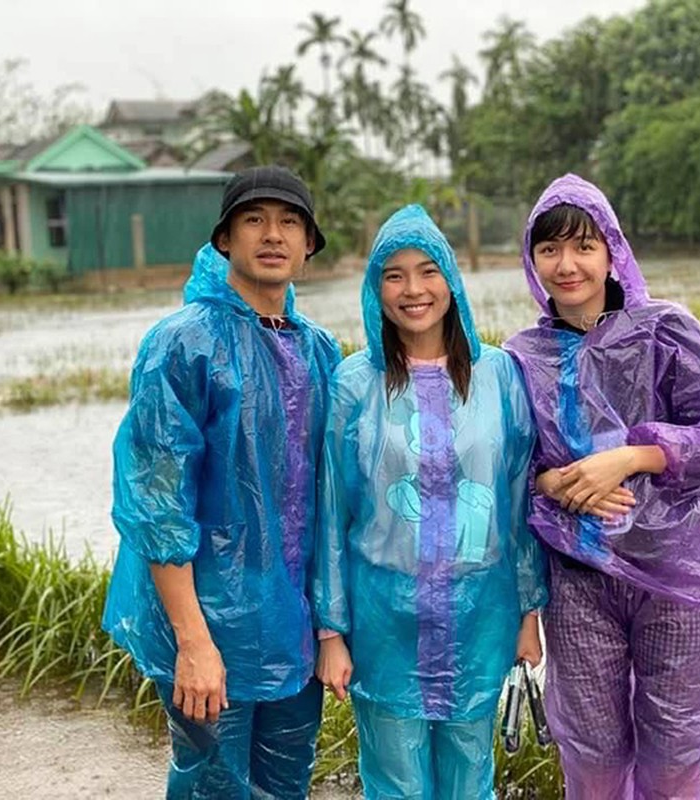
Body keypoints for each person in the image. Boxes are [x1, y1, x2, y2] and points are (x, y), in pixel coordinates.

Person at [504, 174, 700, 799]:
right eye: (549, 250)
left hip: (677, 576)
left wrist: (629, 459)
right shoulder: (521, 357)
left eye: (583, 246)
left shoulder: (665, 330)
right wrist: (556, 482)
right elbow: (506, 463)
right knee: (590, 750)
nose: (567, 265)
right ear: (532, 260)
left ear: (612, 250)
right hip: (579, 576)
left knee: (674, 747)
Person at [103, 165, 341, 799]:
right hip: (208, 627)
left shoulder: (320, 352)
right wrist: (193, 641)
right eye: (253, 220)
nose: (273, 234)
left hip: (293, 629)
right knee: (215, 787)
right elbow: (158, 504)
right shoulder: (182, 346)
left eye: (290, 221)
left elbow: (330, 501)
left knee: (287, 782)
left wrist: (332, 627)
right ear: (225, 240)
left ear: (309, 245)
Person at [314, 204, 548, 800]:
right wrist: (331, 632)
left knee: (471, 779)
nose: (413, 290)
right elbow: (330, 512)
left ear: (451, 280)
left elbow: (517, 499)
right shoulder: (354, 384)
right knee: (396, 783)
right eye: (394, 275)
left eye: (427, 271)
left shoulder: (499, 376)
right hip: (383, 622)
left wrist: (528, 614)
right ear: (375, 289)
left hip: (481, 617)